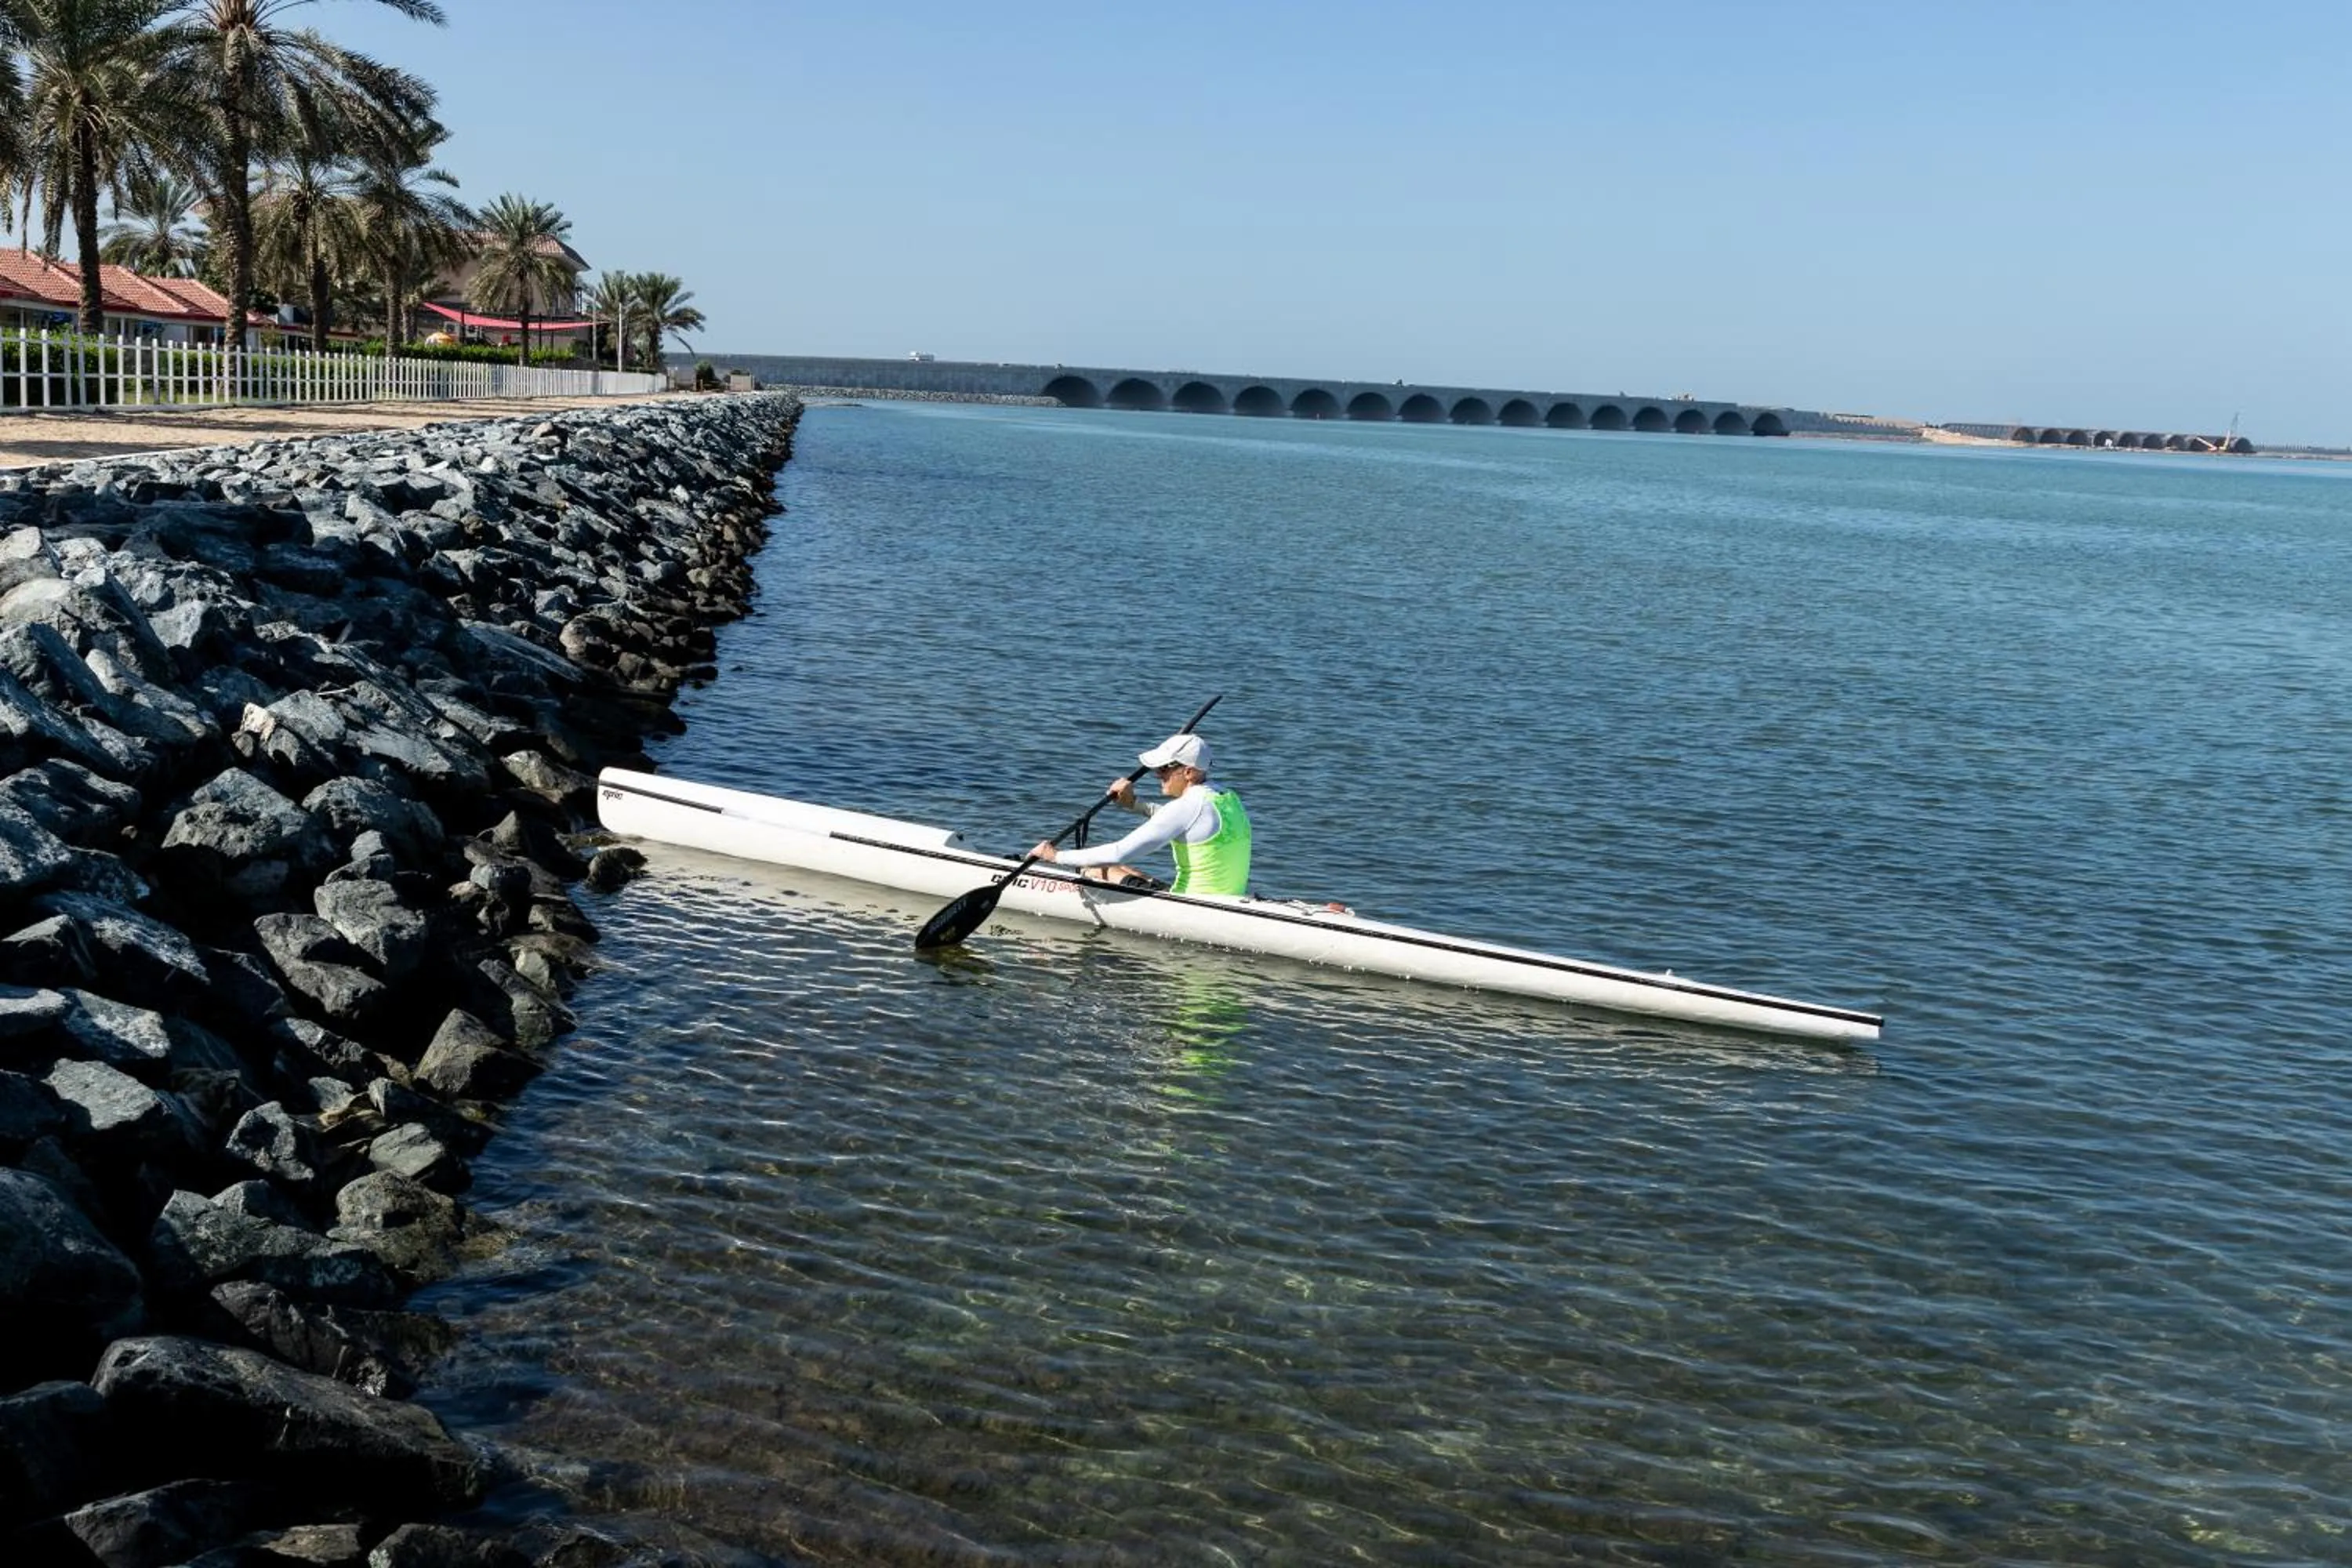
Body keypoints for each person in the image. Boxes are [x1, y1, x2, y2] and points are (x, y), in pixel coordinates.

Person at [1029, 732, 1252, 896]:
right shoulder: (1227, 797)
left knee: (1096, 870)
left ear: (1188, 772)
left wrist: (1056, 856)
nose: (1157, 775)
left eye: (1164, 768)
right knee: (1123, 871)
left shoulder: (1186, 807)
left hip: (1188, 904)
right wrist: (1133, 804)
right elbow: (1183, 821)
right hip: (1226, 899)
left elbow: (1119, 852)